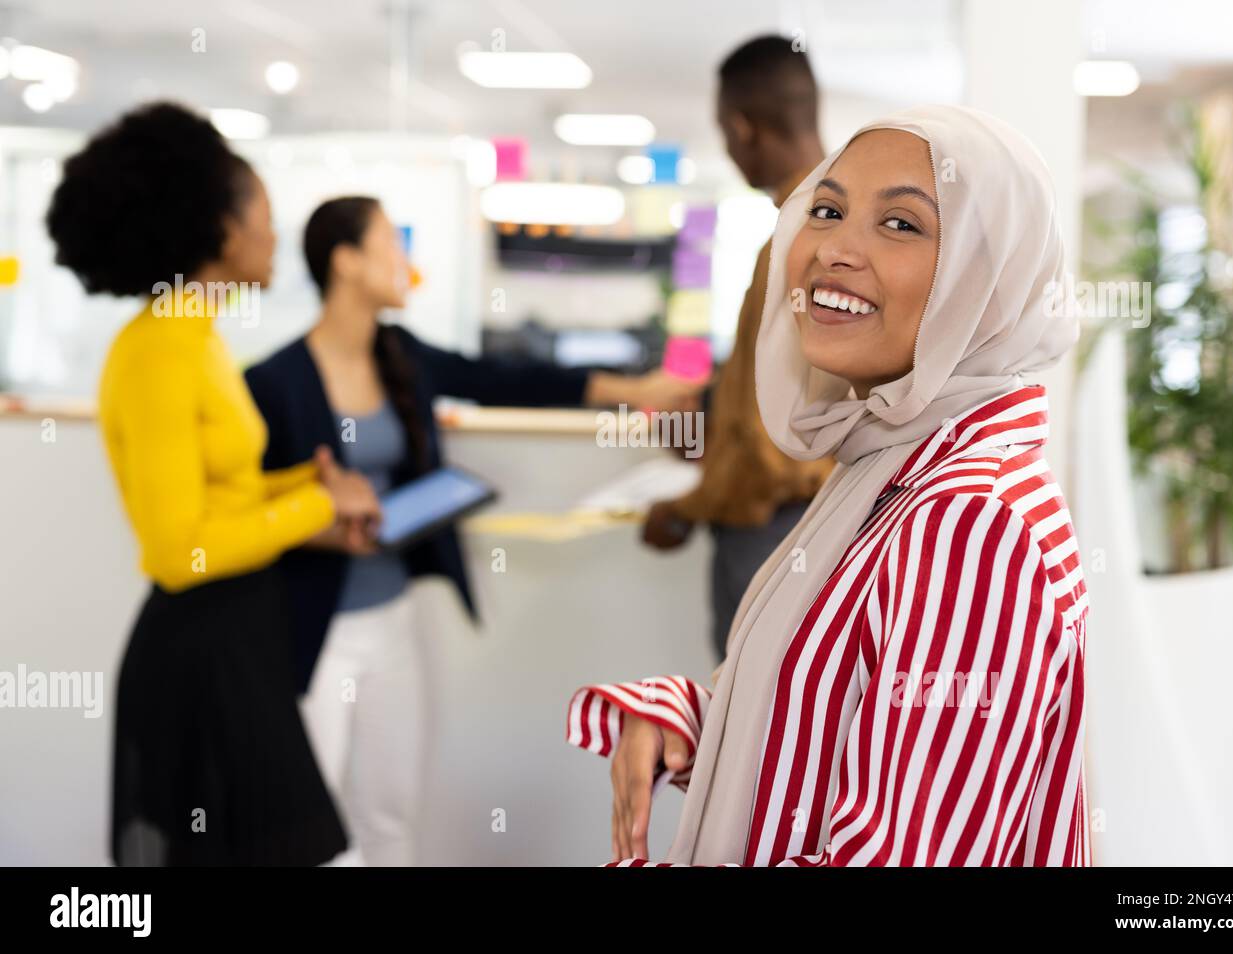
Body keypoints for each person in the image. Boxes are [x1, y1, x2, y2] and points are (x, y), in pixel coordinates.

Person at [566, 105, 1091, 866]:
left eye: (903, 225)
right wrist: (694, 719)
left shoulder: (970, 523)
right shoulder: (892, 457)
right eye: (827, 209)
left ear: (987, 281)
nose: (835, 248)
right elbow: (840, 732)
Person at [244, 195, 703, 866]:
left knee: (390, 811)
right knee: (312, 828)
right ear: (345, 261)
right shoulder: (274, 381)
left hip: (393, 621)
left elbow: (504, 377)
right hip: (312, 628)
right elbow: (249, 507)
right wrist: (322, 523)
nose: (407, 262)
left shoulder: (399, 354)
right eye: (390, 245)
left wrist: (634, 389)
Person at [45, 103, 381, 866]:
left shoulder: (198, 335)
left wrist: (307, 484)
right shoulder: (159, 348)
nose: (275, 235)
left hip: (241, 639)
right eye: (264, 215)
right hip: (199, 653)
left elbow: (222, 491)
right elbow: (177, 550)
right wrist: (318, 504)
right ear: (227, 234)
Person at [641, 35, 835, 661]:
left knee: (749, 734)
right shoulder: (838, 227)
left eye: (725, 134)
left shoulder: (794, 244)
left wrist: (682, 507)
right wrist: (710, 423)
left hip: (772, 537)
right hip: (813, 531)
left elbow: (773, 453)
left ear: (742, 127)